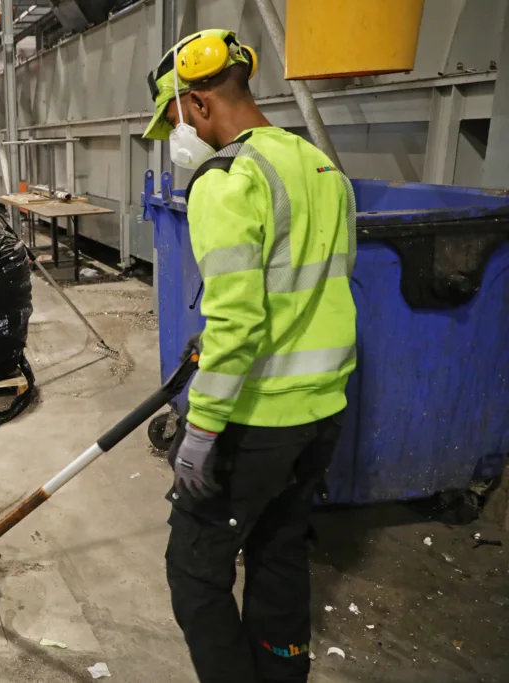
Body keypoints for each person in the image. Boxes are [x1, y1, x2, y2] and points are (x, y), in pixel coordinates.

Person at [143, 30, 357, 683]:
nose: (179, 136)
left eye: (177, 119)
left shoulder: (226, 179)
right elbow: (305, 288)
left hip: (256, 420)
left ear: (201, 104)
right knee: (278, 549)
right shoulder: (323, 168)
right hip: (322, 414)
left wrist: (202, 431)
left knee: (195, 570)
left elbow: (237, 321)